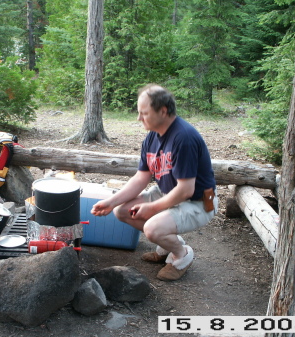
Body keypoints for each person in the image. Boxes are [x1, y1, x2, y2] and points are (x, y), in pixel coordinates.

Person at [91, 84, 218, 281]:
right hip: (168, 193)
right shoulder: (152, 137)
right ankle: (167, 245)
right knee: (121, 211)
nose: (139, 118)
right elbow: (141, 177)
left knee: (152, 228)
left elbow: (186, 189)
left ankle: (181, 255)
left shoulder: (183, 138)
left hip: (198, 202)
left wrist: (151, 208)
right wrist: (111, 202)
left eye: (144, 113)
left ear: (163, 111)